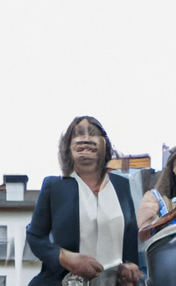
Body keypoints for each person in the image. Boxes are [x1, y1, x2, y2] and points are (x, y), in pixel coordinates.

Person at [26, 116, 140, 286]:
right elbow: (35, 236)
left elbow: (130, 239)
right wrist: (66, 258)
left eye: (92, 134)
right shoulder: (54, 186)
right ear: (68, 148)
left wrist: (130, 267)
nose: (86, 140)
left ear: (104, 145)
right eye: (78, 135)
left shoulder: (122, 187)